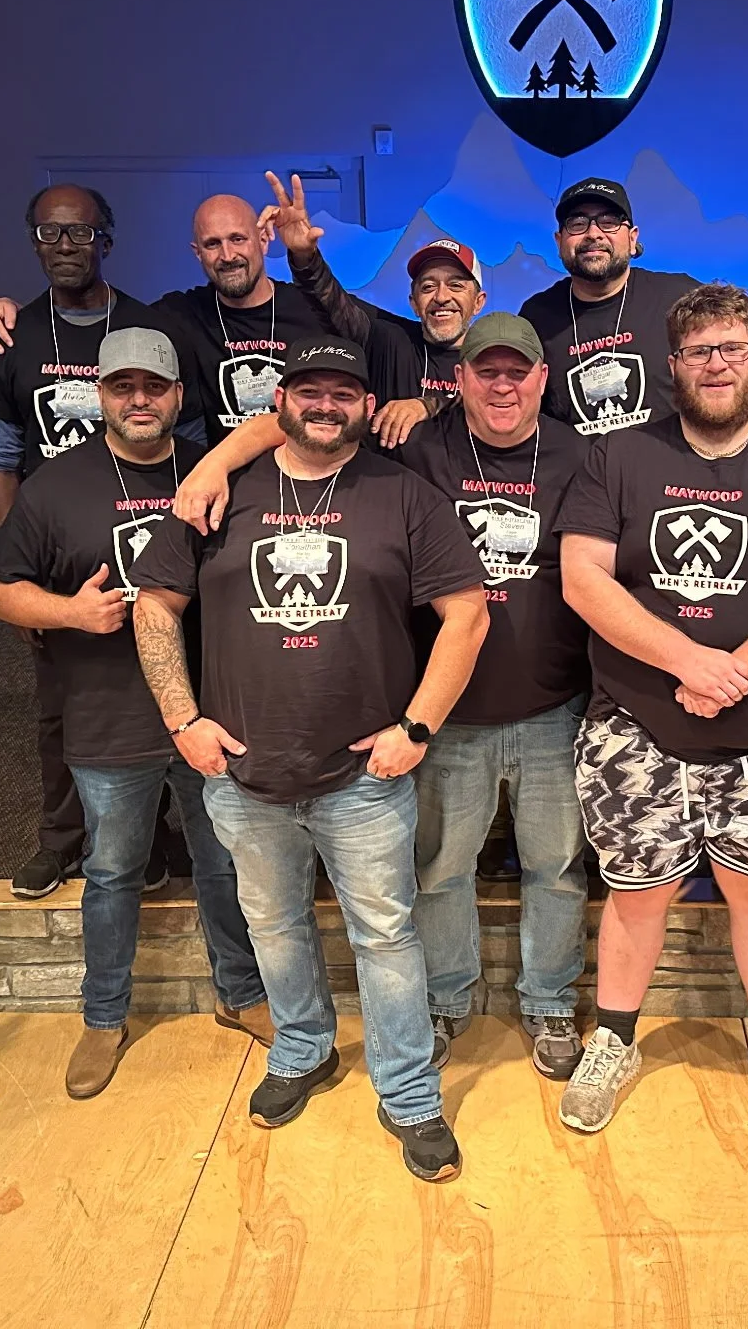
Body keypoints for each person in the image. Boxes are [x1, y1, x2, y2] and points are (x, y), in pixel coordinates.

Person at [172, 315, 591, 1080]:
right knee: (439, 871)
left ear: (541, 377)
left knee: (556, 868)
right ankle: (448, 997)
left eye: (517, 372)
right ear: (453, 381)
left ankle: (550, 1001)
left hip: (552, 703)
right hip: (445, 715)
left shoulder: (582, 454)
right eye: (484, 371)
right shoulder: (416, 451)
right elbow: (309, 428)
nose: (502, 385)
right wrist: (216, 463)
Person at [129, 337, 491, 1183]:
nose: (325, 406)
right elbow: (154, 608)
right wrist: (182, 718)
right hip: (243, 773)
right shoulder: (221, 491)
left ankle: (408, 1094)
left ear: (366, 406)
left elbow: (467, 614)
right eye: (309, 390)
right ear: (279, 399)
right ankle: (301, 1048)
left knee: (388, 935)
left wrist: (419, 726)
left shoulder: (404, 495)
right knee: (274, 925)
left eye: (343, 393)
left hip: (362, 778)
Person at [555, 283, 748, 1143]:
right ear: (674, 366)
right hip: (639, 724)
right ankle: (614, 1039)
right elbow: (584, 579)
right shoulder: (618, 457)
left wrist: (738, 672)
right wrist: (686, 661)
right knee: (636, 896)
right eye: (700, 352)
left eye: (734, 348)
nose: (719, 365)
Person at [0, 328, 272, 1099]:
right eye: (122, 388)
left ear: (179, 395)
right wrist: (70, 614)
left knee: (224, 866)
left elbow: (288, 420)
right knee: (111, 873)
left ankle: (239, 995)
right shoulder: (56, 485)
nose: (139, 401)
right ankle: (104, 1017)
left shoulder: (216, 472)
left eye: (156, 387)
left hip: (211, 715)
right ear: (100, 395)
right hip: (107, 720)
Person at [0, 185, 181, 903]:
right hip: (56, 540)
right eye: (49, 233)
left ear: (107, 239)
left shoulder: (151, 325)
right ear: (32, 240)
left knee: (161, 690)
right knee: (64, 704)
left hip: (148, 528)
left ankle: (150, 839)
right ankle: (60, 840)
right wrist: (23, 574)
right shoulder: (10, 337)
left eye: (79, 234)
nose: (65, 247)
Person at [0, 192, 418, 447]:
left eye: (239, 238)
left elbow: (393, 336)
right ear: (196, 253)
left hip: (316, 483)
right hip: (221, 497)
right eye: (212, 244)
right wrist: (10, 310)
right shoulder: (177, 315)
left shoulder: (313, 308)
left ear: (264, 239)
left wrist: (306, 257)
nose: (228, 255)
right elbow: (96, 325)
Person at [264, 170, 484, 449]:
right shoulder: (389, 341)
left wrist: (427, 406)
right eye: (428, 287)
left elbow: (508, 408)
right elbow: (331, 303)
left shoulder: (491, 356)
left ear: (479, 301)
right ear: (413, 302)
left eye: (456, 285)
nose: (441, 297)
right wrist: (305, 257)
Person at [519, 178, 701, 436]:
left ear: (632, 237)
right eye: (578, 223)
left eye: (609, 222)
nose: (593, 234)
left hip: (673, 473)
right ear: (559, 241)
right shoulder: (536, 316)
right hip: (580, 475)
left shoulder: (681, 297)